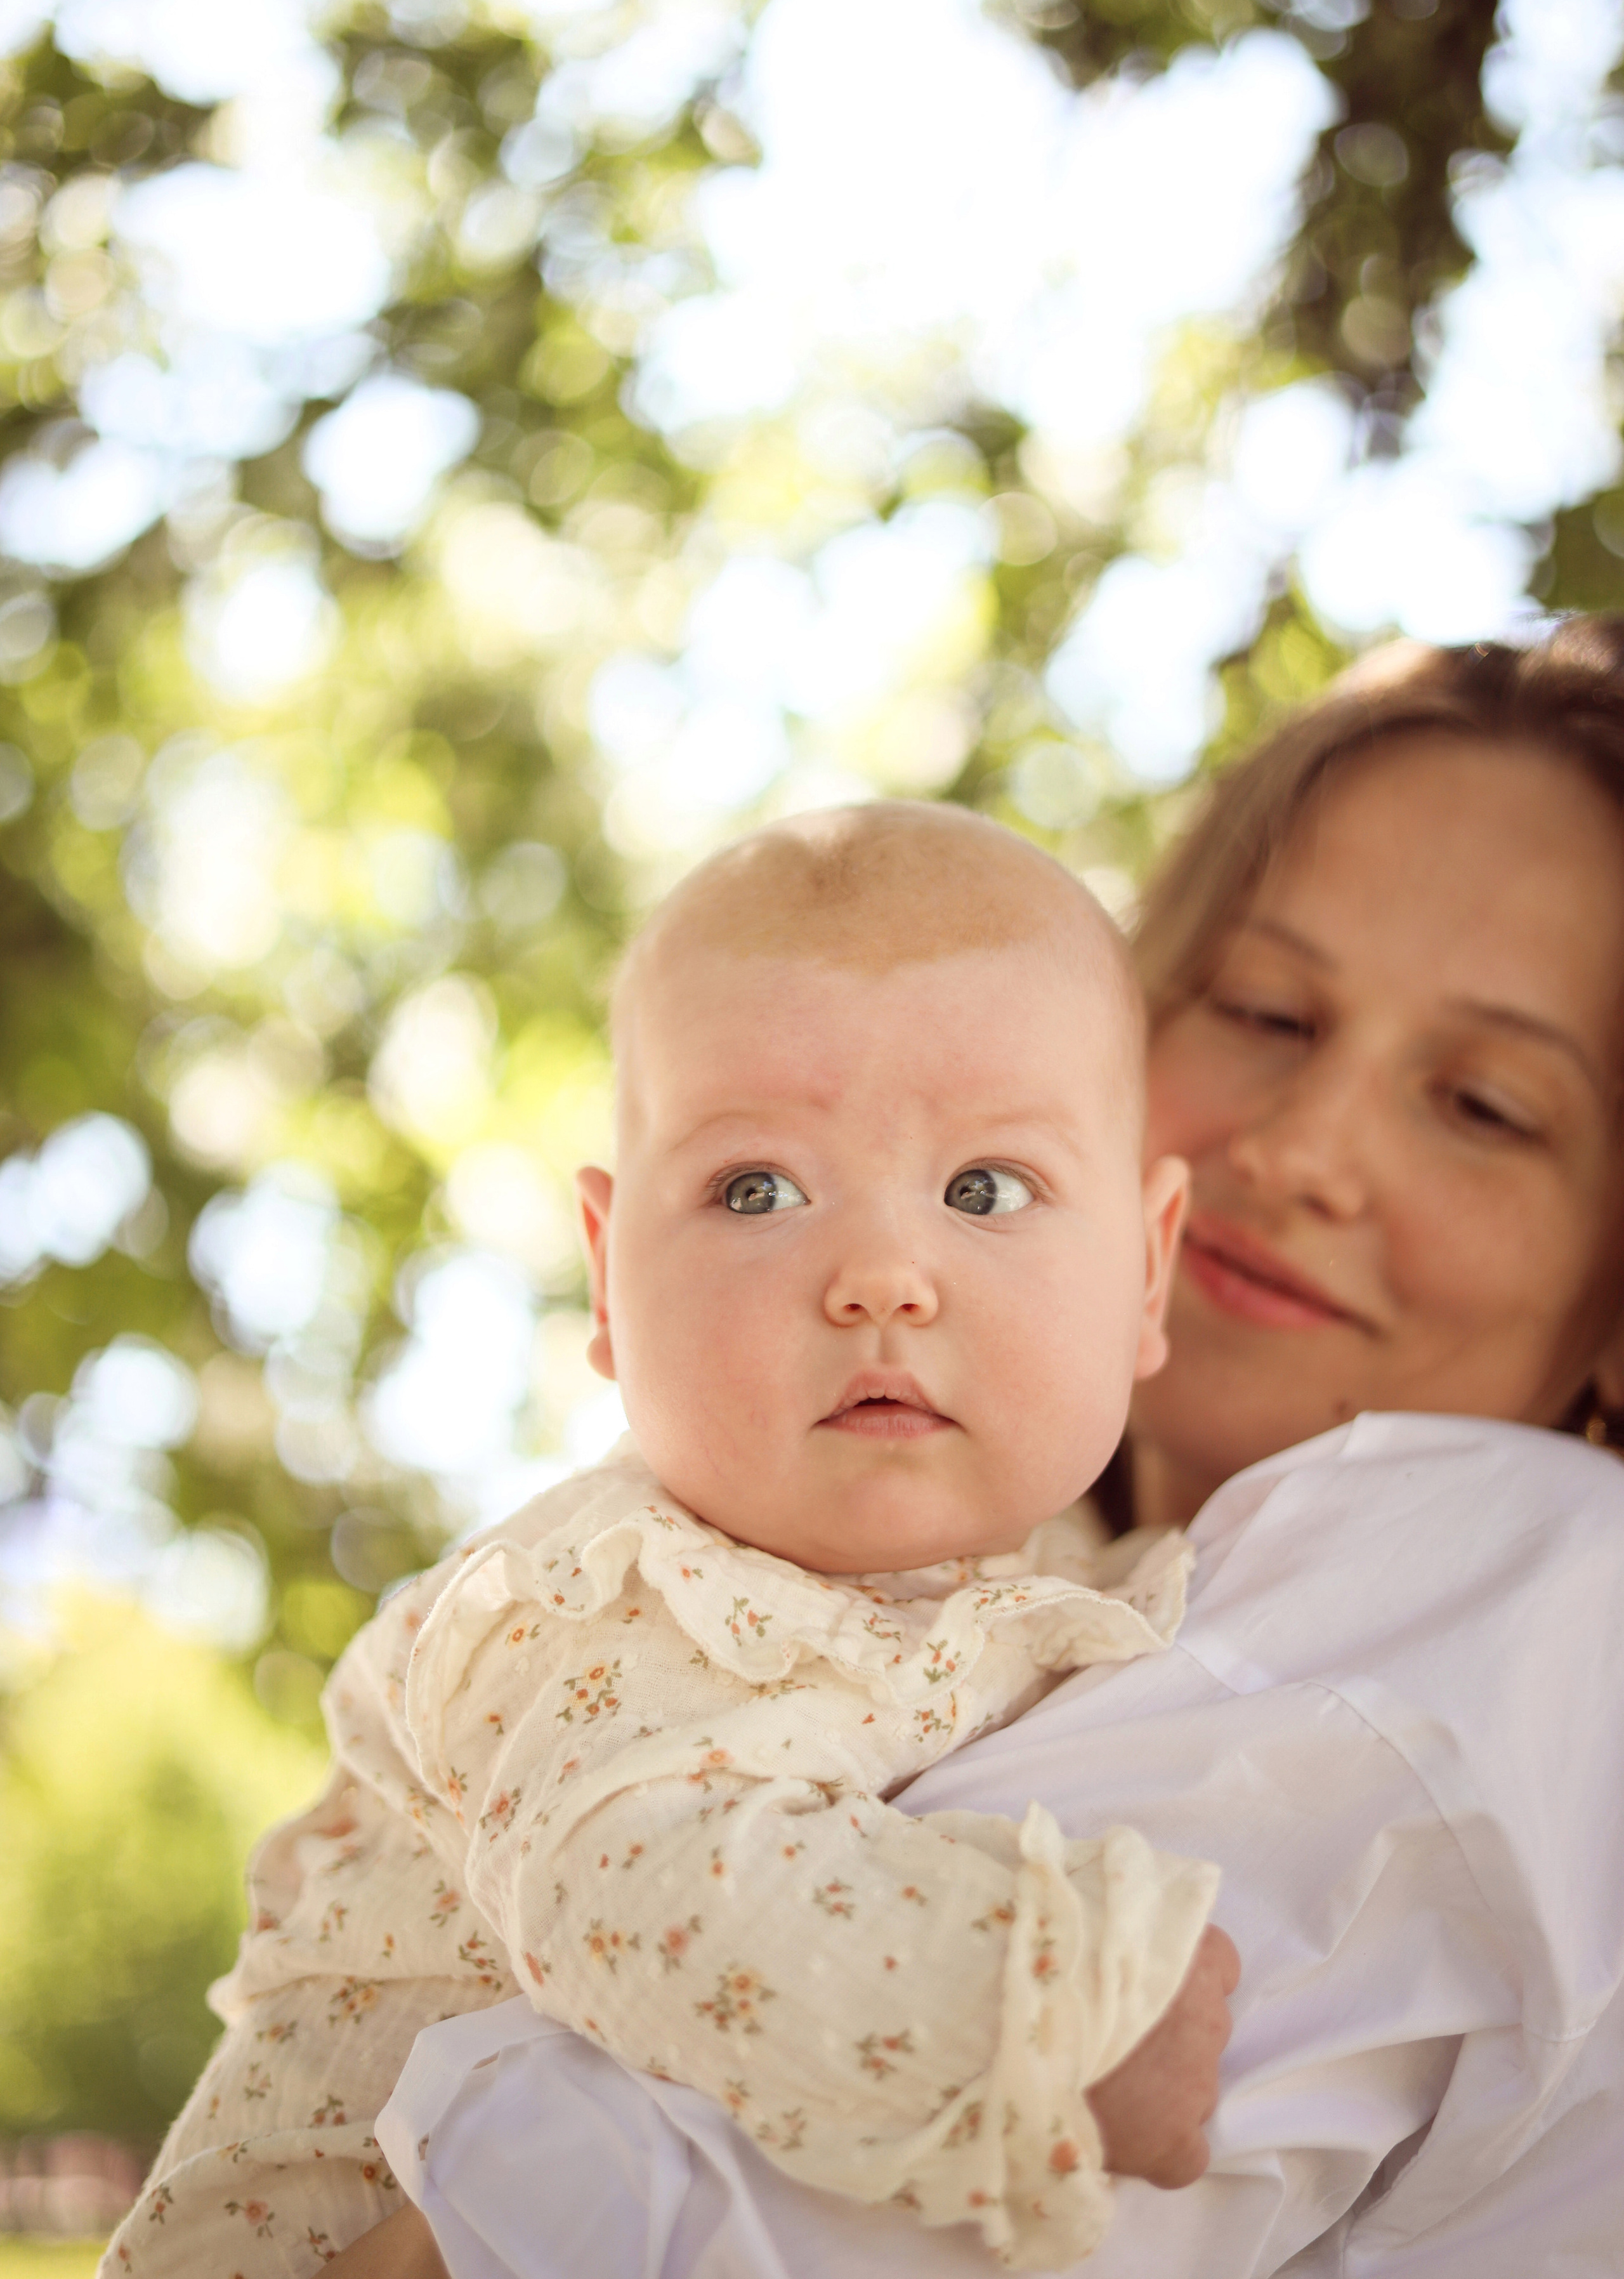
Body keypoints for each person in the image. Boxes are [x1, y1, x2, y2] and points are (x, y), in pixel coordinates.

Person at [365, 617, 1624, 2278]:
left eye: (1485, 1105)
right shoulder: (957, 1596)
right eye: (1261, 1010)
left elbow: (563, 2235)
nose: (1307, 1149)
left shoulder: (1518, 1570)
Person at [98, 806, 1239, 2279]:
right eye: (755, 1188)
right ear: (608, 1276)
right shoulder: (605, 1600)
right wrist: (1051, 2007)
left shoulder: (1074, 1572)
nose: (880, 1277)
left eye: (984, 1188)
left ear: (1145, 1266)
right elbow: (653, 1886)